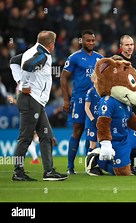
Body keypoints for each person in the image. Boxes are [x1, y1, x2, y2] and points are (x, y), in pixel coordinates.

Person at [12, 30, 68, 181]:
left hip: (34, 100)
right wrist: (24, 84)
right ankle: (18, 172)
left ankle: (49, 172)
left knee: (46, 136)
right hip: (31, 100)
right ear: (51, 45)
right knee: (25, 137)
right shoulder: (42, 55)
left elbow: (13, 61)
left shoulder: (30, 50)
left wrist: (19, 82)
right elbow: (28, 65)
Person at [60, 30, 104, 174]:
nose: (91, 43)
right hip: (79, 99)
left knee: (91, 132)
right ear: (81, 41)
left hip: (95, 100)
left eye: (93, 40)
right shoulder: (74, 57)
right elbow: (63, 77)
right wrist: (66, 99)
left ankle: (88, 166)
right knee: (77, 130)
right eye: (88, 40)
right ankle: (70, 167)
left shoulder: (100, 58)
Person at [118, 34, 136, 118]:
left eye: (131, 44)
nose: (130, 47)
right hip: (122, 101)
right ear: (121, 46)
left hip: (135, 101)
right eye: (127, 45)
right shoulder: (116, 61)